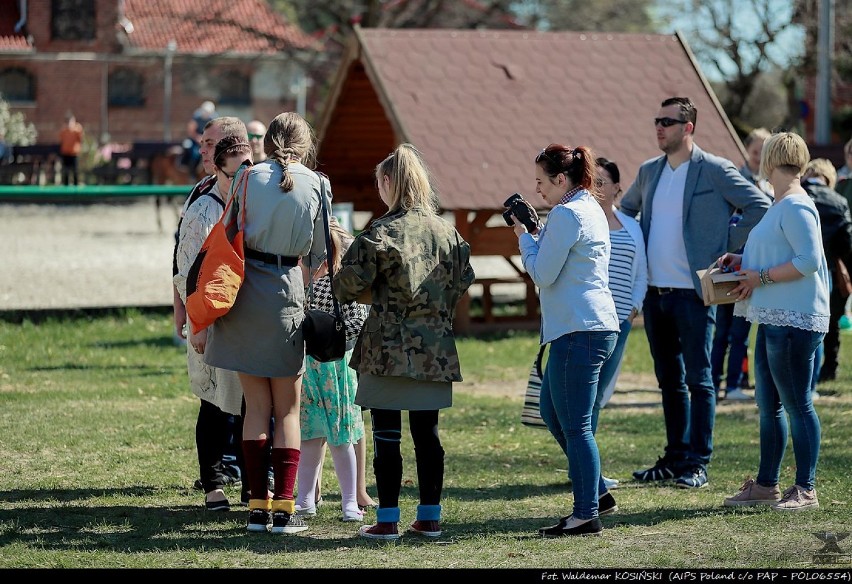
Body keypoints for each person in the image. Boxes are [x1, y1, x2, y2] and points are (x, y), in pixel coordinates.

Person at [620, 96, 770, 489]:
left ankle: (698, 463)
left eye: (667, 122)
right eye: (656, 120)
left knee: (700, 380)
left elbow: (760, 205)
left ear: (688, 128)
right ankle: (674, 458)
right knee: (668, 379)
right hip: (656, 293)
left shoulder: (715, 169)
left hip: (694, 293)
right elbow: (624, 212)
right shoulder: (649, 171)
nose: (659, 127)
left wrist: (728, 243)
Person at [334, 143, 475, 541]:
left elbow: (346, 286)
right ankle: (430, 517)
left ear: (389, 182)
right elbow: (464, 280)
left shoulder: (380, 232)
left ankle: (388, 519)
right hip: (435, 347)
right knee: (428, 435)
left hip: (386, 347)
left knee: (386, 437)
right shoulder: (447, 232)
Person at [204, 111, 328, 535]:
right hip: (286, 294)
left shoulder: (245, 177)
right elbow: (318, 254)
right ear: (304, 142)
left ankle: (257, 507)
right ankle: (285, 509)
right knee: (288, 410)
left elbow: (229, 231)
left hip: (244, 296)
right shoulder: (318, 183)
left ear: (269, 141)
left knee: (255, 408)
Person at [510, 144, 618, 537]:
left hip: (580, 329)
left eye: (541, 181)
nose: (536, 189)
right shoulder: (585, 208)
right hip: (583, 326)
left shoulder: (569, 212)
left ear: (561, 179)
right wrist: (538, 232)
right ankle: (599, 491)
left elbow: (542, 273)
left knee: (576, 425)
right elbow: (560, 259)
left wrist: (524, 235)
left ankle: (586, 513)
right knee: (553, 412)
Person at [720, 131, 829, 512]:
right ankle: (767, 485)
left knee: (797, 404)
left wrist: (760, 277)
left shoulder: (796, 205)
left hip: (795, 321)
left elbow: (808, 261)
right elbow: (777, 252)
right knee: (770, 405)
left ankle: (806, 488)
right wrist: (742, 262)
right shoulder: (780, 204)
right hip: (772, 318)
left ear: (768, 162)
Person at [173, 123, 252, 512]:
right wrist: (197, 324)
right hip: (211, 319)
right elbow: (188, 269)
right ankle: (214, 483)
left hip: (247, 320)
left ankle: (253, 482)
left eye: (248, 170)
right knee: (214, 403)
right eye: (234, 171)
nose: (242, 178)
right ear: (218, 170)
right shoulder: (204, 208)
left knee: (251, 405)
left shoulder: (255, 204)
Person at [295, 218, 369, 523]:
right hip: (321, 368)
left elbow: (356, 324)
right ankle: (309, 499)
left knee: (331, 438)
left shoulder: (333, 284)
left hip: (331, 368)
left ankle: (345, 500)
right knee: (322, 438)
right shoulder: (317, 281)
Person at [593, 157, 648, 491]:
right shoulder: (583, 222)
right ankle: (587, 469)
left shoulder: (631, 226)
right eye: (591, 182)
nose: (596, 189)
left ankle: (588, 468)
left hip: (621, 322)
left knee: (600, 393)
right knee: (587, 394)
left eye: (602, 182)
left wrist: (634, 308)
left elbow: (640, 272)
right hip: (590, 321)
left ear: (618, 188)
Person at [712, 128, 772, 402]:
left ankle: (735, 382)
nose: (758, 156)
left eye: (763, 152)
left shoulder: (769, 184)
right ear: (748, 149)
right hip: (731, 264)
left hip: (751, 264)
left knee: (740, 330)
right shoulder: (736, 180)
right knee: (723, 330)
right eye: (756, 150)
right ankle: (714, 383)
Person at [801, 158, 852, 384]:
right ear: (829, 178)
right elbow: (847, 243)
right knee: (822, 328)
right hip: (825, 272)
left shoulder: (794, 195)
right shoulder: (839, 201)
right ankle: (816, 379)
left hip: (790, 271)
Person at [59, 112, 84, 186]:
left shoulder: (77, 130)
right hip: (65, 153)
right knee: (66, 171)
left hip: (74, 154)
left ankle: (76, 185)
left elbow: (80, 139)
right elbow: (62, 140)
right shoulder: (64, 131)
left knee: (75, 171)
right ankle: (66, 185)